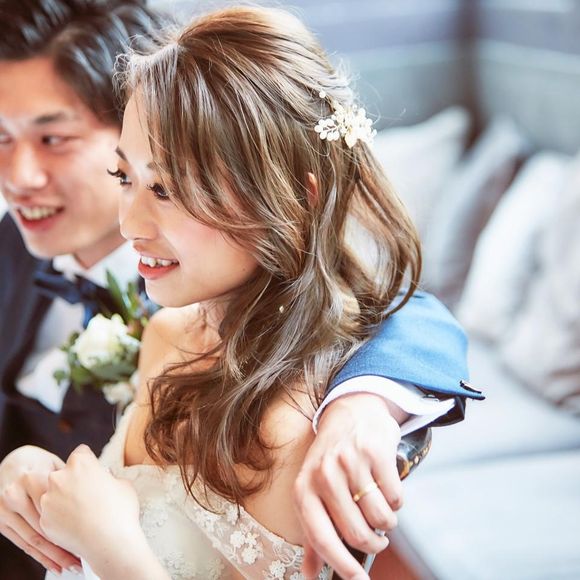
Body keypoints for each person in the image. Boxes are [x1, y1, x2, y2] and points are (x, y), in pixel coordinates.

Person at [0, 1, 481, 579]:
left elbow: (408, 317)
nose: (131, 224)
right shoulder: (164, 329)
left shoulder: (290, 431)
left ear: (291, 197)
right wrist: (25, 469)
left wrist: (368, 404)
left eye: (169, 189)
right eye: (124, 177)